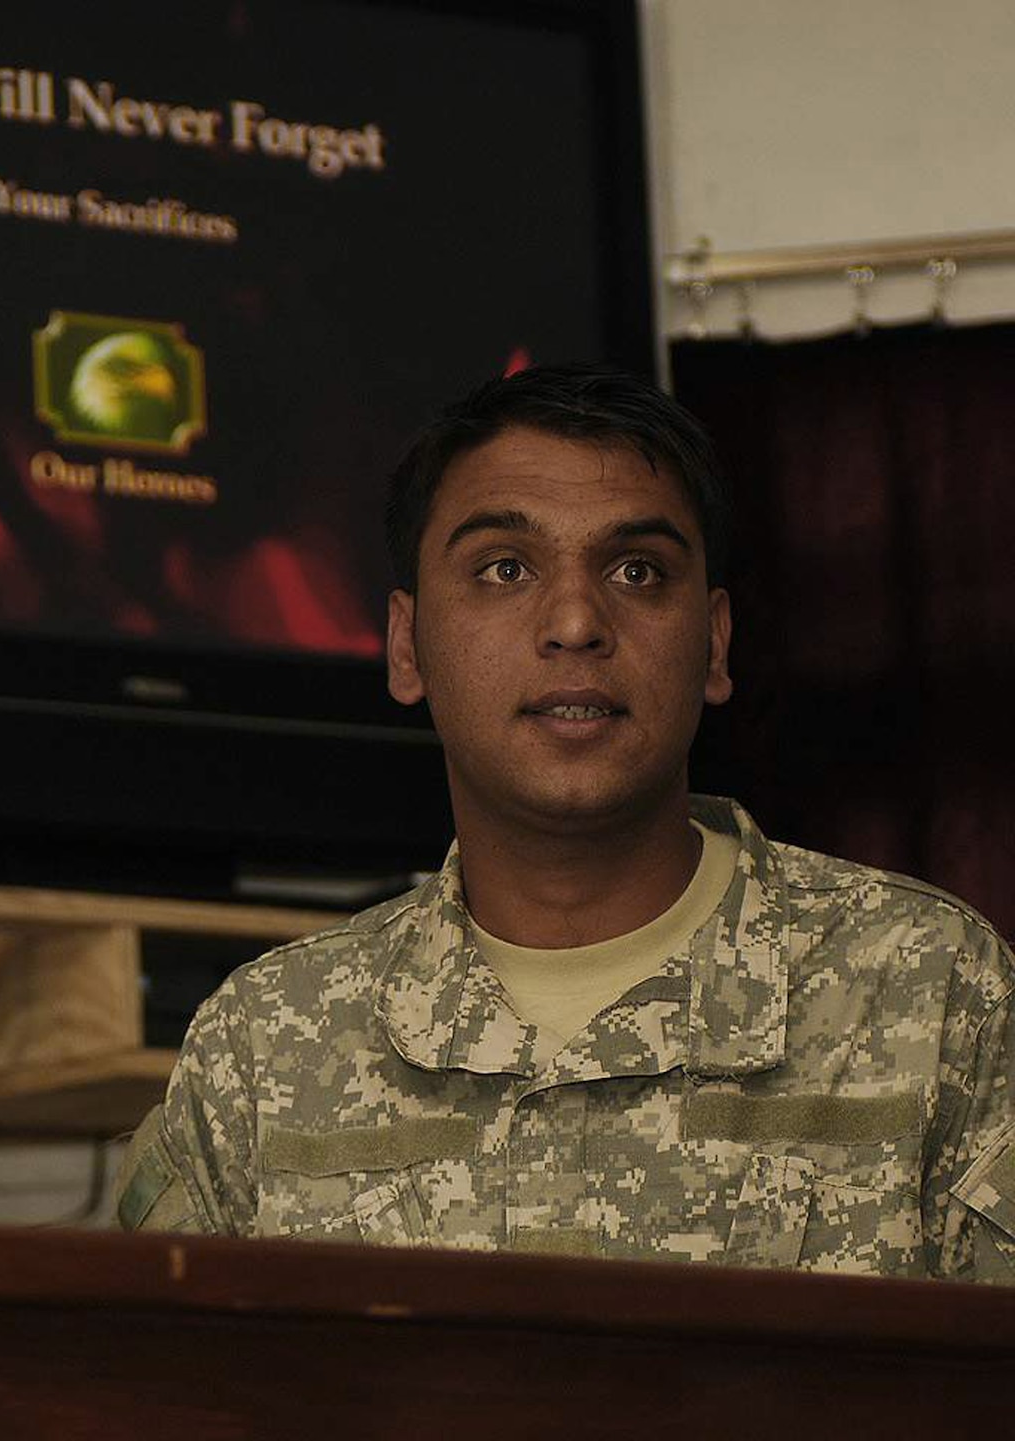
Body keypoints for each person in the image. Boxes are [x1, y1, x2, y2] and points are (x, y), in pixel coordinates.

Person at [117, 364, 1015, 1282]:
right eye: (505, 568)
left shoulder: (930, 988)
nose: (578, 621)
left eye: (638, 570)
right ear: (405, 643)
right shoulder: (264, 1045)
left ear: (713, 641)